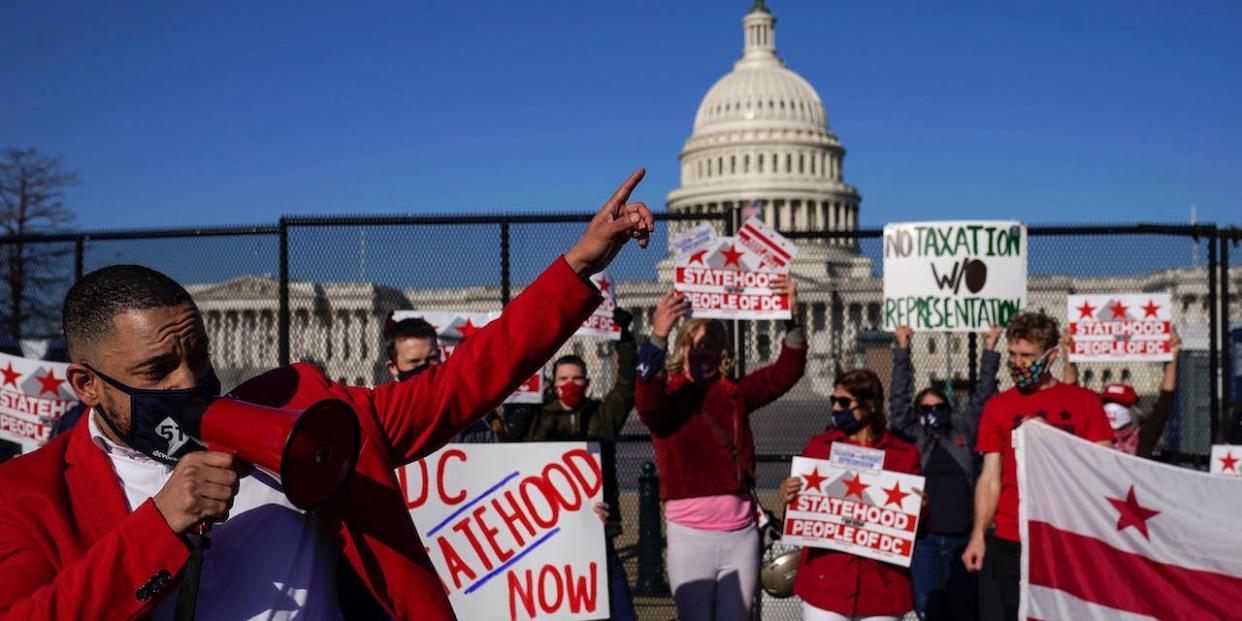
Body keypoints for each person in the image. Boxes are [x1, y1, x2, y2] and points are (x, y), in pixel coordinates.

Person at [0, 169, 655, 619]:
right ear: (86, 383)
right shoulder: (28, 495)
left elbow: (463, 381)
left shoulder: (303, 412)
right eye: (156, 369)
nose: (188, 381)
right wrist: (160, 522)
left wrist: (576, 266)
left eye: (196, 353)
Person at [634, 278, 806, 621]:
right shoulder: (668, 396)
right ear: (682, 349)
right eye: (696, 345)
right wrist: (656, 336)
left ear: (722, 353)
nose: (703, 353)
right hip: (689, 536)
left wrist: (790, 319)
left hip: (740, 534)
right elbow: (645, 403)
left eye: (711, 346)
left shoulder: (735, 394)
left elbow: (786, 372)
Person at [961, 311, 1114, 621]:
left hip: (1067, 534)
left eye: (1028, 356)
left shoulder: (1084, 402)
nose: (1018, 363)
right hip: (1012, 537)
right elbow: (991, 477)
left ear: (1051, 356)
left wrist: (1053, 439)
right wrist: (978, 533)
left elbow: (1104, 467)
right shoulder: (998, 406)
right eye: (1013, 354)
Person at [522, 307, 637, 620]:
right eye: (563, 379)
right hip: (547, 533)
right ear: (553, 383)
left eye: (576, 379)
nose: (570, 384)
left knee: (619, 610)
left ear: (586, 382)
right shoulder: (536, 419)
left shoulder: (603, 414)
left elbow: (627, 385)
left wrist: (624, 340)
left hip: (597, 530)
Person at [780, 368, 922, 621]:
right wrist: (789, 496)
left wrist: (920, 509)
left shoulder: (903, 456)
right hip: (827, 581)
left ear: (870, 406)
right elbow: (802, 517)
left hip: (881, 587)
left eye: (844, 402)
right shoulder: (819, 448)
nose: (836, 408)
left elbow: (916, 531)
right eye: (833, 401)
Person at [889, 325, 1001, 621]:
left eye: (940, 407)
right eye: (927, 408)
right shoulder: (914, 437)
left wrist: (990, 349)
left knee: (964, 611)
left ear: (949, 409)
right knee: (929, 609)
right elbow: (898, 404)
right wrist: (902, 349)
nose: (934, 412)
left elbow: (982, 398)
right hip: (925, 540)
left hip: (962, 539)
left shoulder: (962, 432)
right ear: (917, 413)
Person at [1060, 330, 1181, 457]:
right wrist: (1068, 356)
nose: (1113, 409)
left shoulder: (1141, 440)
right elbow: (1071, 394)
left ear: (1132, 411)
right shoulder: (1091, 434)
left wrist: (1172, 358)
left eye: (1120, 404)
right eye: (1108, 402)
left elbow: (1163, 408)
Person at [382, 316, 498, 442]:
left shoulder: (469, 422)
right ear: (393, 367)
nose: (424, 369)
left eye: (431, 359)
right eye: (414, 362)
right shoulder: (385, 421)